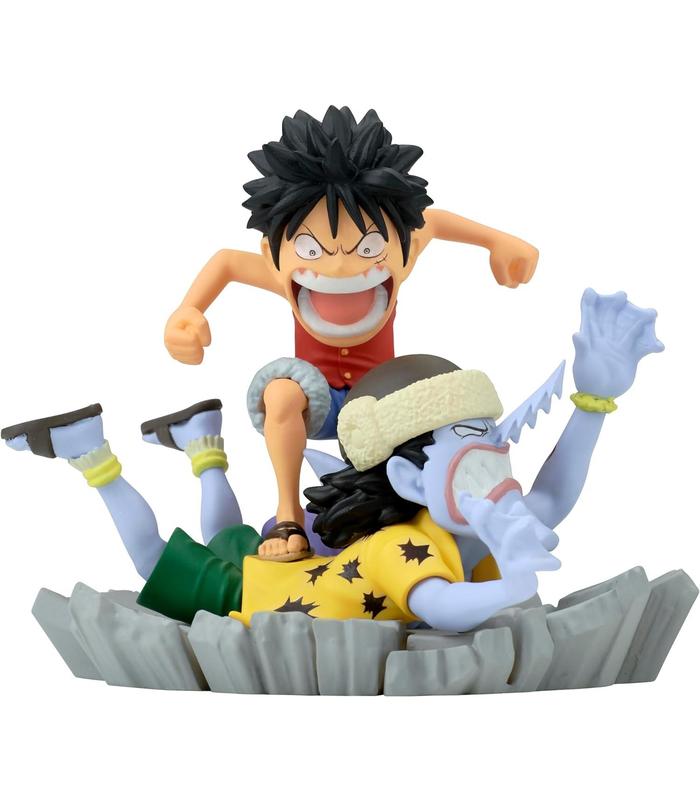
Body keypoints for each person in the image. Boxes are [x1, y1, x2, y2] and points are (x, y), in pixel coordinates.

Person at [2, 290, 663, 632]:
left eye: (494, 438)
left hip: (287, 566)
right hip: (250, 596)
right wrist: (510, 589)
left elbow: (548, 502)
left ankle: (204, 446)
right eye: (470, 444)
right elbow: (439, 606)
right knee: (156, 558)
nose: (495, 458)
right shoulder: (400, 545)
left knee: (220, 533)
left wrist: (594, 399)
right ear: (407, 478)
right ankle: (92, 452)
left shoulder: (468, 531)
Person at [163, 105, 540, 560]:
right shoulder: (283, 275)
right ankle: (288, 516)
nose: (340, 266)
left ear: (407, 250)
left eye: (368, 246)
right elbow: (226, 262)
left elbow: (435, 220)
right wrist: (187, 311)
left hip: (385, 407)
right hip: (317, 404)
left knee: (440, 403)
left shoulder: (400, 258)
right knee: (280, 393)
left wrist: (500, 241)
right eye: (311, 248)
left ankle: (432, 505)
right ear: (271, 255)